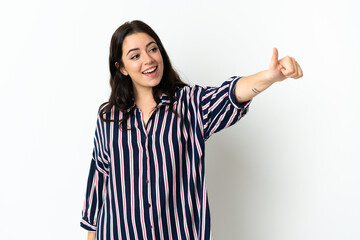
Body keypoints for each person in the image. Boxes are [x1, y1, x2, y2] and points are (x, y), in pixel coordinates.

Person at [80, 20, 303, 240]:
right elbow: (99, 177)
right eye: (135, 56)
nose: (148, 59)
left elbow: (231, 94)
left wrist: (270, 76)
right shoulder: (109, 118)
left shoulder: (190, 104)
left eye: (153, 49)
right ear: (121, 68)